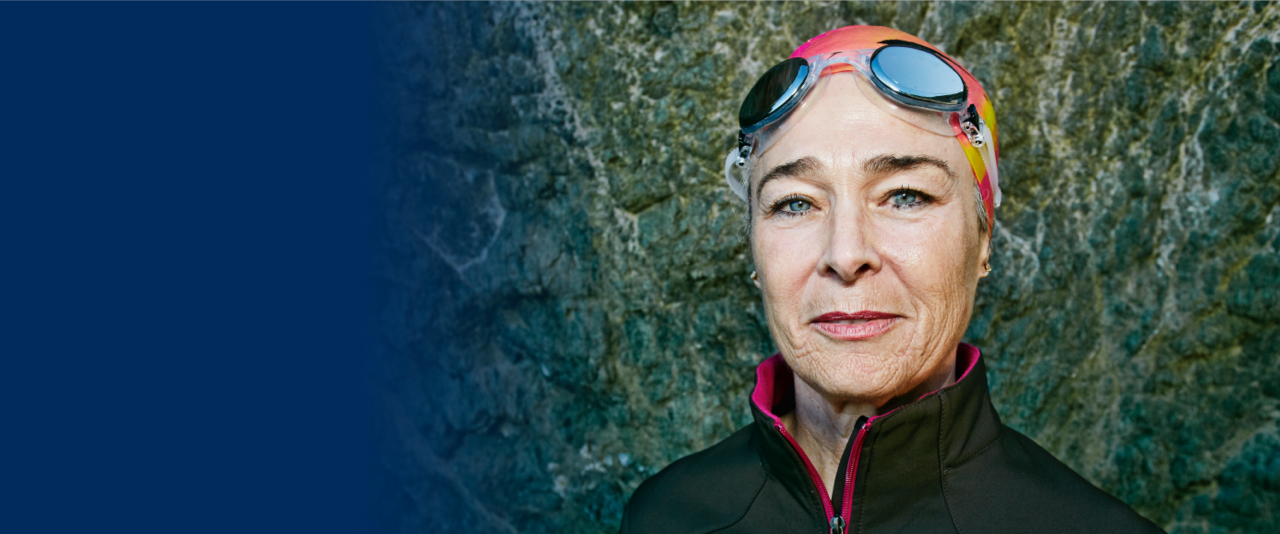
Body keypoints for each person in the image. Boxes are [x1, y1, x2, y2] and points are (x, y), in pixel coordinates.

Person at [620, 26, 1164, 534]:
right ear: (755, 252)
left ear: (982, 240)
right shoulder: (664, 516)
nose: (846, 253)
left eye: (906, 195)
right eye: (794, 203)